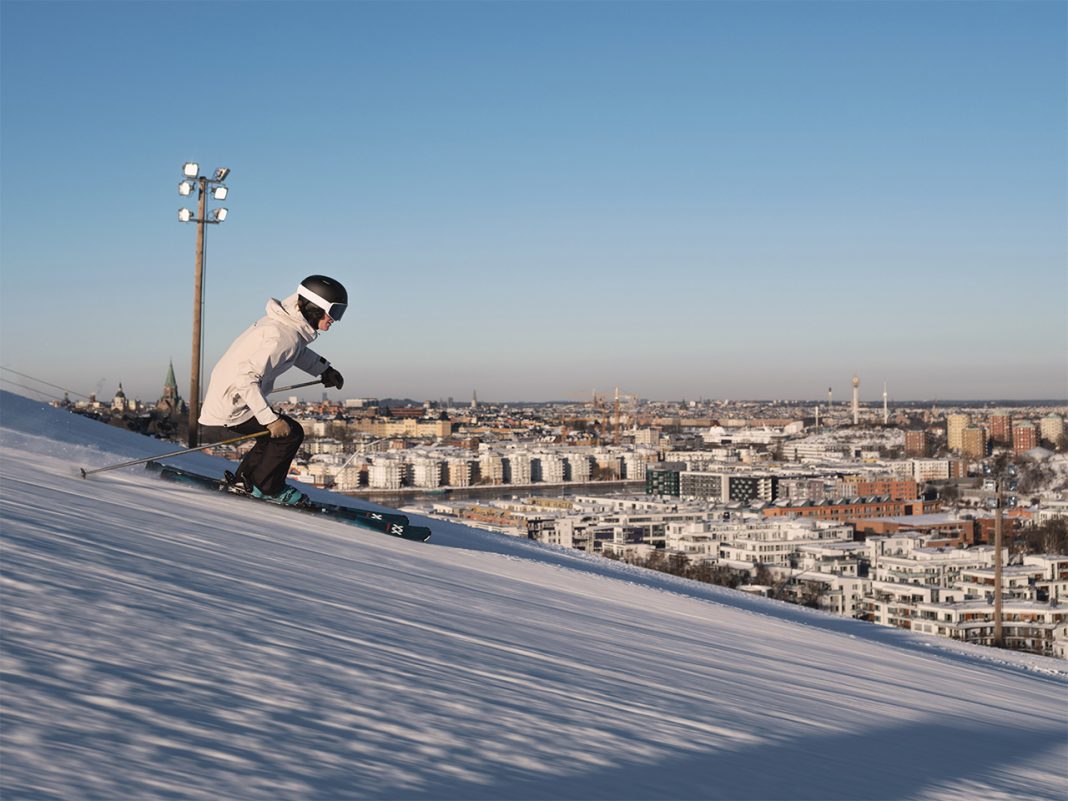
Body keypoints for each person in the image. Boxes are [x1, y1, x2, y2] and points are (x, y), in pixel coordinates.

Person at [198, 275, 347, 505]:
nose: (335, 320)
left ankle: (246, 481)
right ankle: (267, 487)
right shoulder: (282, 336)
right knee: (290, 433)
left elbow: (296, 352)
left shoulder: (288, 329)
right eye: (334, 312)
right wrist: (269, 419)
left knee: (273, 437)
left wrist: (324, 369)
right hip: (234, 402)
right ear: (315, 308)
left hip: (231, 397)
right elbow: (246, 379)